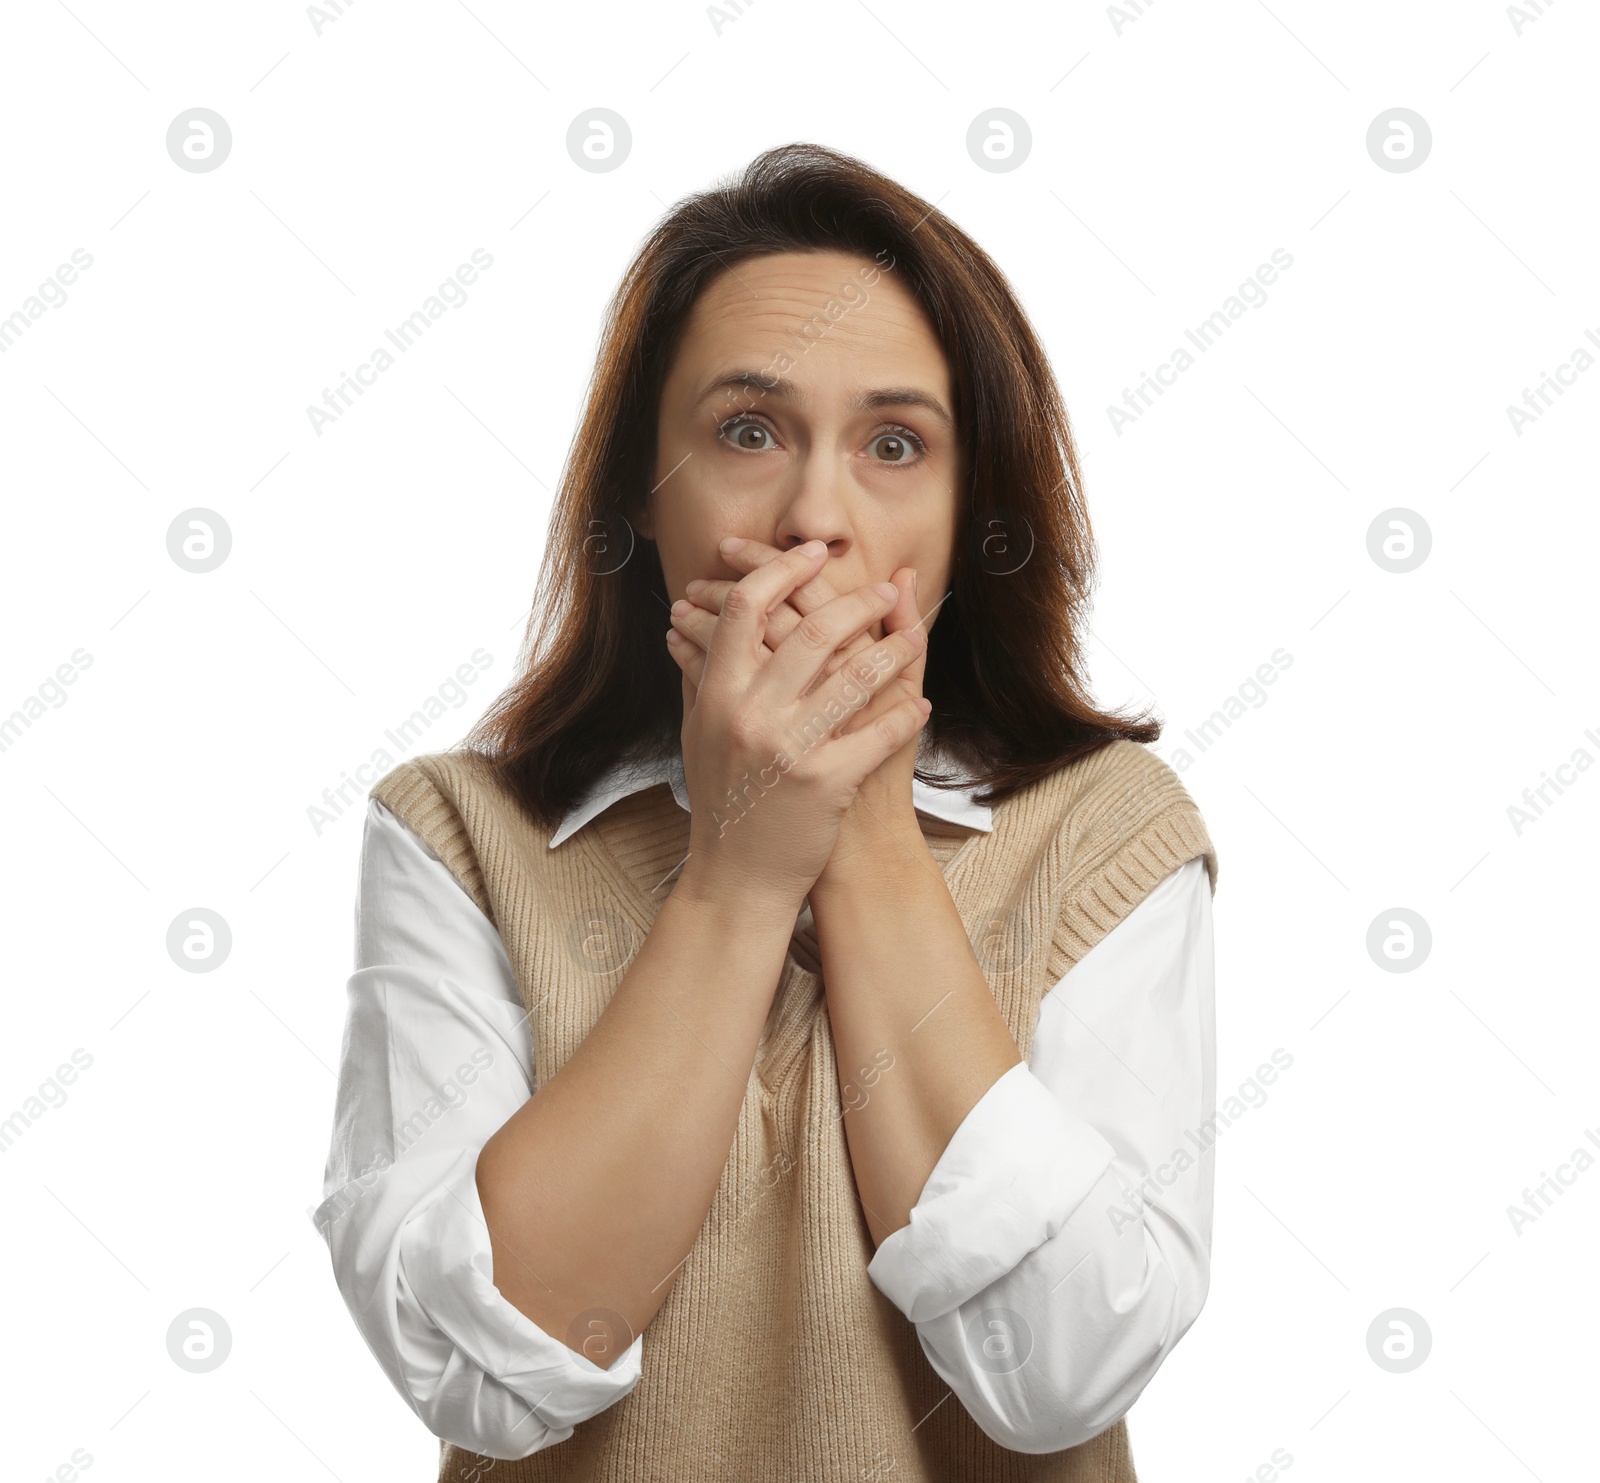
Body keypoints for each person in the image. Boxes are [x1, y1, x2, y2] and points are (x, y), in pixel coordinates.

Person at [312, 141, 1218, 1482]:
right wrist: (737, 879)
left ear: (971, 512)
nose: (816, 516)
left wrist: (858, 833)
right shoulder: (463, 835)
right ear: (644, 486)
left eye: (895, 446)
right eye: (748, 432)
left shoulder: (1107, 832)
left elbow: (1064, 1372)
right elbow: (482, 1376)